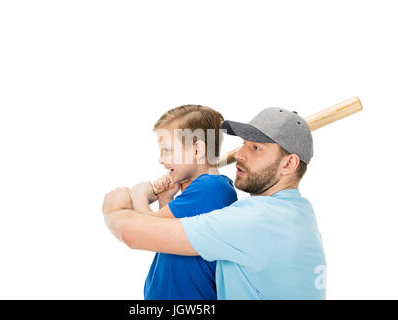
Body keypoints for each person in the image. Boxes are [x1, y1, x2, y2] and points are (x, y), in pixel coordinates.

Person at [103, 107, 326, 299]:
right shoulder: (299, 214)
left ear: (289, 164)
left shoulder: (255, 219)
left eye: (256, 148)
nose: (239, 155)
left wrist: (114, 207)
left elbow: (132, 233)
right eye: (243, 144)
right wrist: (166, 198)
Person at [131, 105, 237, 300]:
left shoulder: (210, 189)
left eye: (167, 151)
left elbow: (144, 230)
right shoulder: (206, 189)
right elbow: (166, 237)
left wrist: (139, 195)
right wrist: (165, 199)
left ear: (197, 150)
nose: (161, 160)